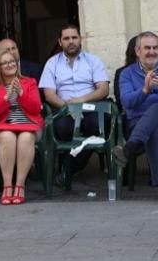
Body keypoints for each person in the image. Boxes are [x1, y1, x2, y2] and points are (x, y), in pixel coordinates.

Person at [113, 32, 158, 207]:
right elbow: (127, 102)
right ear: (137, 51)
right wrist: (145, 90)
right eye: (147, 48)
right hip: (138, 122)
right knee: (154, 131)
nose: (152, 52)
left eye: (155, 48)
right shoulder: (126, 74)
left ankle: (131, 147)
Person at [39, 25, 110, 173]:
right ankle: (68, 168)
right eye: (66, 38)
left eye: (74, 37)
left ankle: (69, 169)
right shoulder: (52, 63)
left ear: (80, 39)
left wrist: (81, 101)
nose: (71, 41)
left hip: (91, 108)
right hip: (64, 110)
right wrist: (69, 107)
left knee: (99, 126)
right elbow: (49, 95)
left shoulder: (93, 61)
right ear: (60, 42)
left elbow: (103, 89)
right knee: (62, 128)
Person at [0, 49, 44, 206]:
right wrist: (6, 97)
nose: (10, 65)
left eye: (12, 62)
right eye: (5, 63)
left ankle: (20, 186)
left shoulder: (29, 82)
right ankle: (7, 186)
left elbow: (36, 108)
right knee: (8, 136)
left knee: (25, 136)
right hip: (4, 126)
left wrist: (22, 93)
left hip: (29, 125)